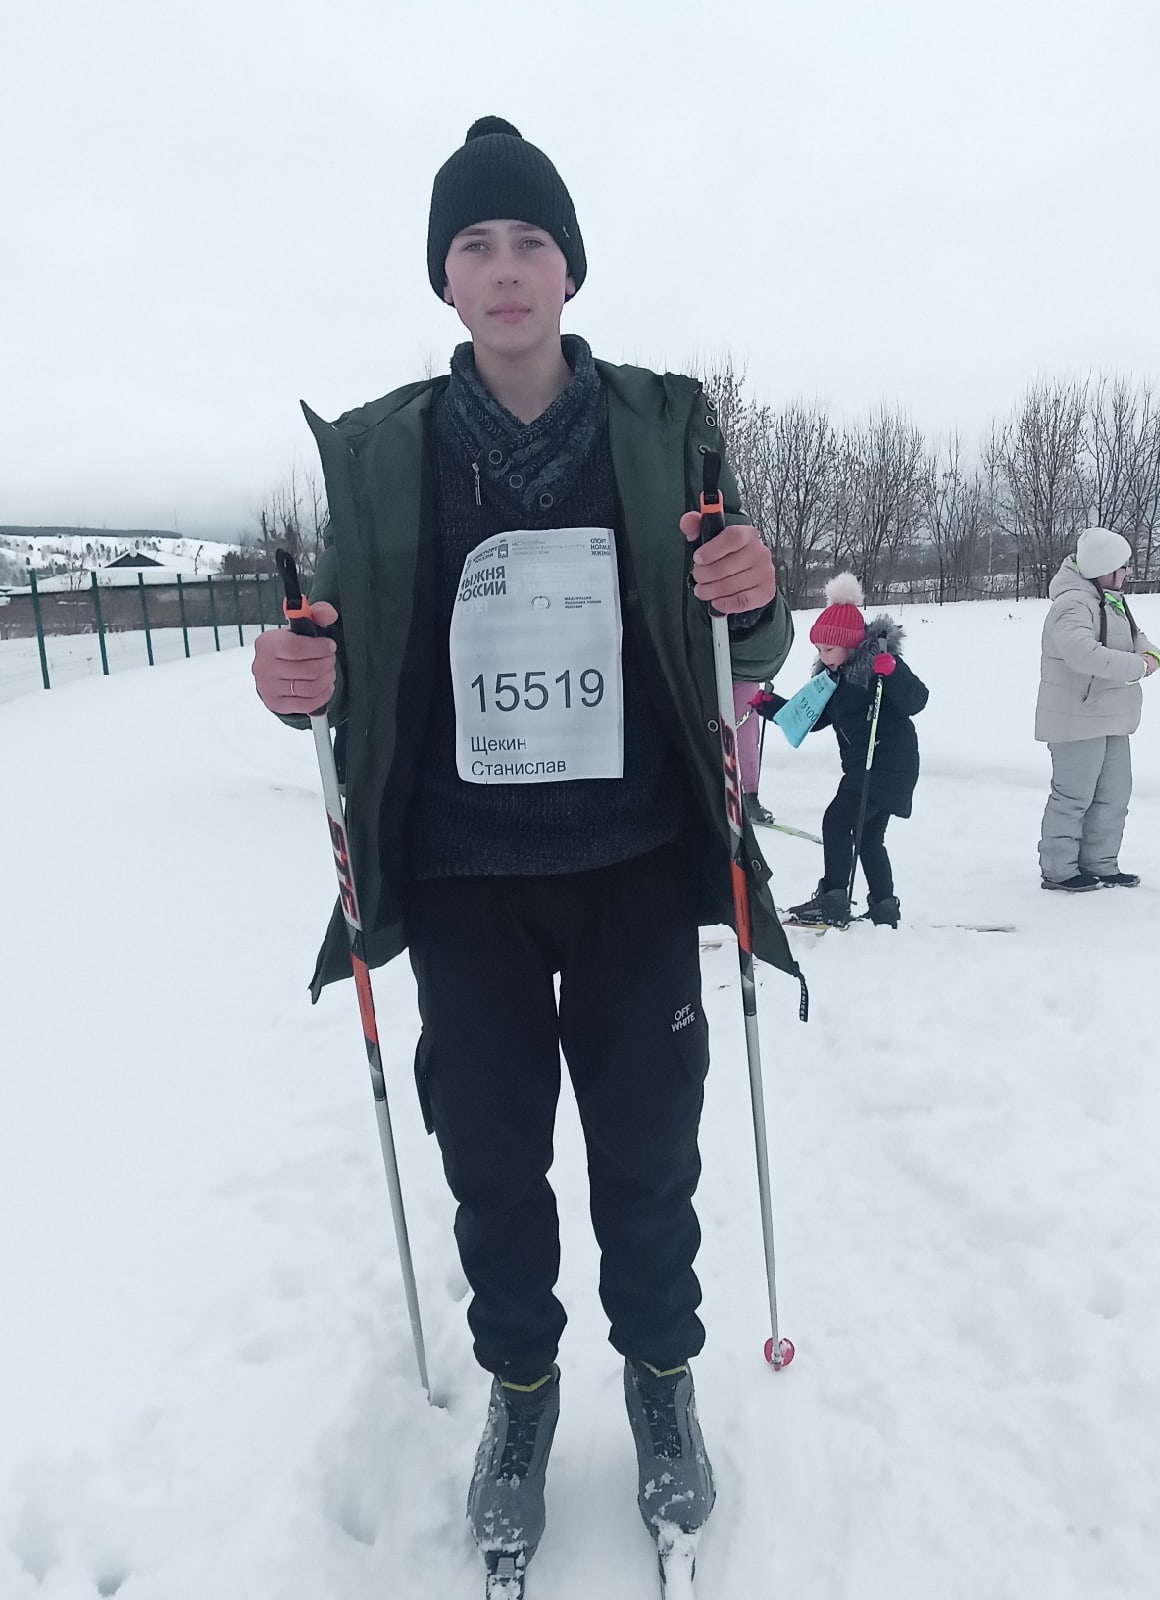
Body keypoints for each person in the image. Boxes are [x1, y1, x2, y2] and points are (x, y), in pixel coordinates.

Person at [250, 117, 797, 1575]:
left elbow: (738, 634)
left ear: (571, 268)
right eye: (475, 246)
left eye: (530, 242)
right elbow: (342, 656)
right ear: (445, 278)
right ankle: (523, 1390)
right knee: (493, 1162)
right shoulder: (393, 455)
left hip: (630, 865)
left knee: (648, 1152)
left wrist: (753, 597)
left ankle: (663, 1379)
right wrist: (299, 678)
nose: (505, 270)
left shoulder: (656, 429)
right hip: (466, 882)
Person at [755, 574, 928, 928]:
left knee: (836, 822)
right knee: (868, 838)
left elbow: (917, 700)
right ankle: (884, 906)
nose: (823, 657)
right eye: (819, 650)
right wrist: (771, 706)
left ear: (850, 644)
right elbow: (812, 718)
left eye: (828, 650)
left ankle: (833, 900)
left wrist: (893, 673)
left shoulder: (880, 667)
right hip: (866, 767)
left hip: (887, 764)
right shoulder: (834, 680)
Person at [1036, 526, 1160, 891]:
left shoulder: (1109, 599)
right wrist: (1137, 666)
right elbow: (1082, 653)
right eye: (1122, 567)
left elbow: (1135, 637)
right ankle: (1059, 870)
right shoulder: (1072, 604)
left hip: (1111, 715)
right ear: (1104, 568)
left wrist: (1150, 653)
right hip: (1076, 717)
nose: (1127, 573)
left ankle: (1101, 863)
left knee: (1113, 795)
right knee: (1074, 797)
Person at [734, 679, 774, 824]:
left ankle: (750, 796)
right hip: (707, 673)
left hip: (745, 675)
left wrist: (769, 670)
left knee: (748, 738)